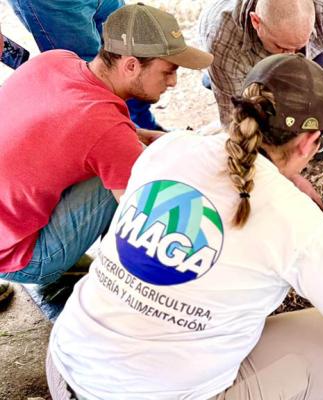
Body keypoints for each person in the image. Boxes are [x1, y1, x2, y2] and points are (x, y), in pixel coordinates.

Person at [46, 54, 323, 400]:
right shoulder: (295, 220)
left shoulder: (173, 148)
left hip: (66, 364)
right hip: (151, 394)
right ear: (310, 143)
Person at [0, 4, 213, 289]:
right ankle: (114, 285)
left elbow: (93, 128)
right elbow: (144, 221)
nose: (173, 83)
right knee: (138, 177)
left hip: (5, 229)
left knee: (113, 159)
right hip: (19, 258)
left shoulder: (56, 60)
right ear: (131, 65)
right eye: (168, 71)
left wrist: (145, 138)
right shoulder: (107, 130)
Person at [8, 0, 168, 130]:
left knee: (132, 50)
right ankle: (129, 141)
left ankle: (147, 129)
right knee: (93, 79)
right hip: (54, 4)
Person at [200, 0, 323, 129]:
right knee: (258, 109)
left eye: (298, 47)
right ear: (256, 22)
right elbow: (234, 115)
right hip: (235, 66)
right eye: (282, 47)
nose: (290, 56)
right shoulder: (224, 41)